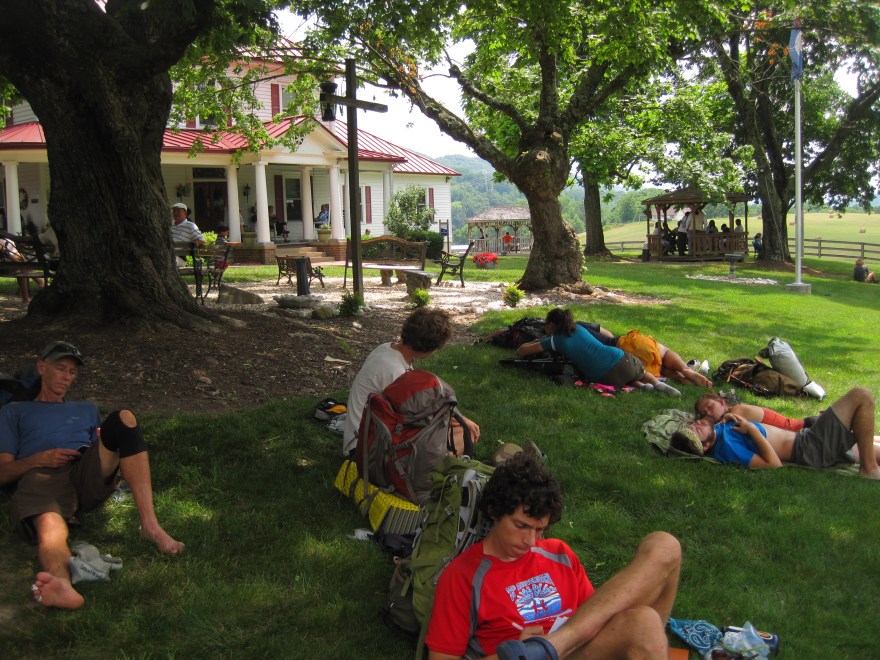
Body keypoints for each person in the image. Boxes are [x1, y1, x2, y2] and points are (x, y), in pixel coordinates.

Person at [425, 452, 682, 660]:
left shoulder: (558, 553)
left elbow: (601, 617)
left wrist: (549, 645)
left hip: (578, 647)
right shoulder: (463, 576)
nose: (531, 541)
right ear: (494, 511)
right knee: (644, 624)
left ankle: (551, 646)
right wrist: (513, 651)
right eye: (521, 526)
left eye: (540, 529)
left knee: (665, 544)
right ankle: (538, 652)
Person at [0, 341, 184, 609]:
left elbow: (102, 446)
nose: (66, 376)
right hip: (42, 475)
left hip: (85, 468)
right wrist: (39, 459)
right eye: (60, 368)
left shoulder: (86, 410)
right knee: (50, 525)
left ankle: (151, 527)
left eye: (72, 372)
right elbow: (3, 472)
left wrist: (118, 467)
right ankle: (61, 583)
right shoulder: (14, 412)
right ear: (41, 367)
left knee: (124, 418)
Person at [342, 308, 481, 457]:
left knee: (456, 427)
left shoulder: (385, 349)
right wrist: (462, 422)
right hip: (365, 452)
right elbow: (429, 417)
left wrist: (458, 418)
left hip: (364, 439)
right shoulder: (395, 371)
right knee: (463, 435)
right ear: (430, 349)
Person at [671, 388, 880, 479]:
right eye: (697, 429)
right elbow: (774, 465)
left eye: (695, 423)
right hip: (809, 449)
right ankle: (868, 469)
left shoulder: (720, 428)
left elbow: (708, 424)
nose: (699, 421)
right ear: (706, 446)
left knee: (873, 448)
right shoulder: (727, 448)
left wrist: (727, 418)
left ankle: (869, 462)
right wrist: (753, 430)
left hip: (807, 437)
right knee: (861, 396)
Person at [516, 309, 682, 396]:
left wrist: (535, 341)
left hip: (606, 376)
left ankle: (641, 386)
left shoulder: (554, 340)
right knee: (639, 371)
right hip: (622, 359)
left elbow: (522, 351)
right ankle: (657, 383)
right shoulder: (578, 328)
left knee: (618, 377)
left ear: (551, 325)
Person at [584, 324, 712, 388]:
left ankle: (678, 377)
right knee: (665, 353)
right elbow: (608, 334)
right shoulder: (579, 325)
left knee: (660, 369)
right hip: (627, 345)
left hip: (624, 363)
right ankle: (685, 369)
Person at [694, 391, 807, 431]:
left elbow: (715, 432)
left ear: (721, 401)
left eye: (709, 407)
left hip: (804, 429)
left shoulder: (739, 410)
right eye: (704, 414)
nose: (708, 413)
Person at [0, 234, 45, 304]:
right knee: (21, 268)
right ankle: (40, 283)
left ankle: (27, 298)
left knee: (21, 268)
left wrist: (21, 262)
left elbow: (13, 254)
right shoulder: (5, 240)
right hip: (6, 265)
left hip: (8, 263)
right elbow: (7, 253)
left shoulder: (7, 240)